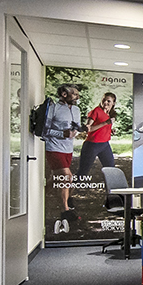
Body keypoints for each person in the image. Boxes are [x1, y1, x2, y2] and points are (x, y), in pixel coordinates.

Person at [42, 83, 85, 218]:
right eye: (74, 94)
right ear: (64, 94)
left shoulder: (76, 110)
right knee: (66, 177)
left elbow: (77, 128)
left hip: (68, 149)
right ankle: (65, 210)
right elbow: (44, 130)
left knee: (57, 179)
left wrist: (79, 131)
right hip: (54, 148)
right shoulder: (53, 108)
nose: (77, 97)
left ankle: (39, 196)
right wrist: (62, 134)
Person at [77, 91, 118, 178]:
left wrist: (110, 130)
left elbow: (101, 128)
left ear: (113, 103)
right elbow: (88, 129)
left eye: (108, 101)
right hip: (92, 145)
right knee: (83, 172)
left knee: (111, 170)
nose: (105, 102)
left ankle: (112, 187)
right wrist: (105, 123)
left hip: (105, 145)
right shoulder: (96, 111)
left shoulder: (109, 113)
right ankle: (69, 186)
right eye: (104, 100)